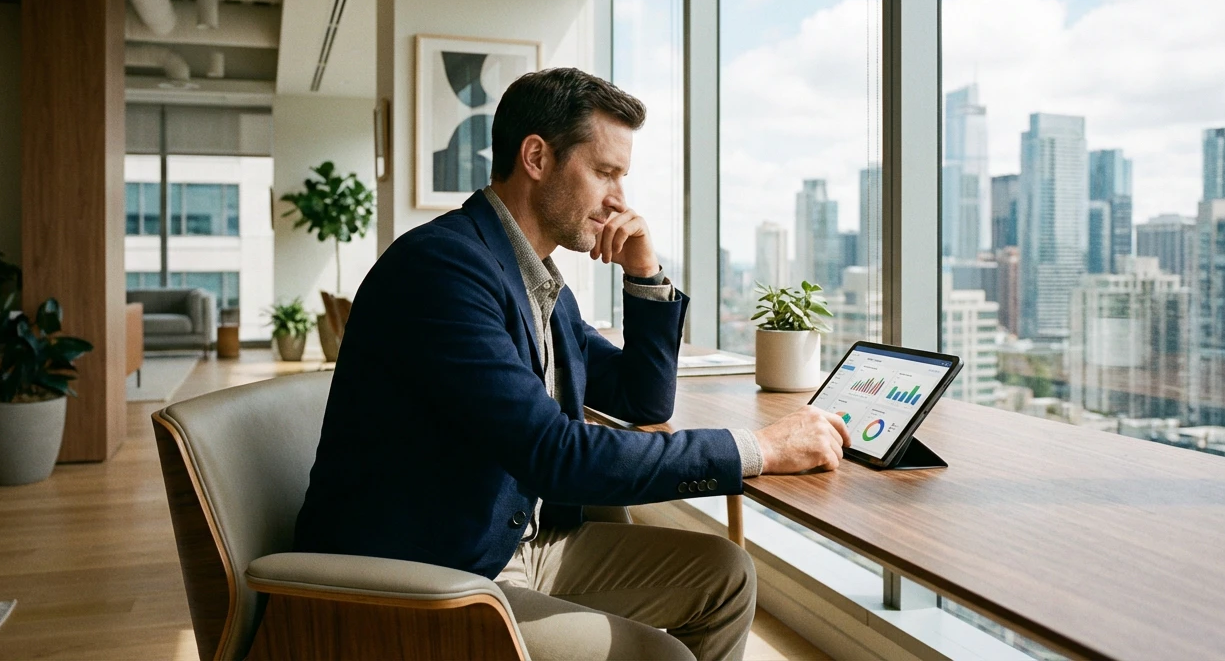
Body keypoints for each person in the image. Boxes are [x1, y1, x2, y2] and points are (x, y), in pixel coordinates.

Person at [294, 67, 851, 661]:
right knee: (660, 657)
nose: (619, 199)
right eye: (605, 172)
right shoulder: (444, 270)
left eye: (622, 177)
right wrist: (760, 449)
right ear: (536, 156)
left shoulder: (534, 280)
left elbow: (642, 400)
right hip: (432, 577)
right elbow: (555, 455)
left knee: (725, 576)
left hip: (517, 540)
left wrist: (644, 274)